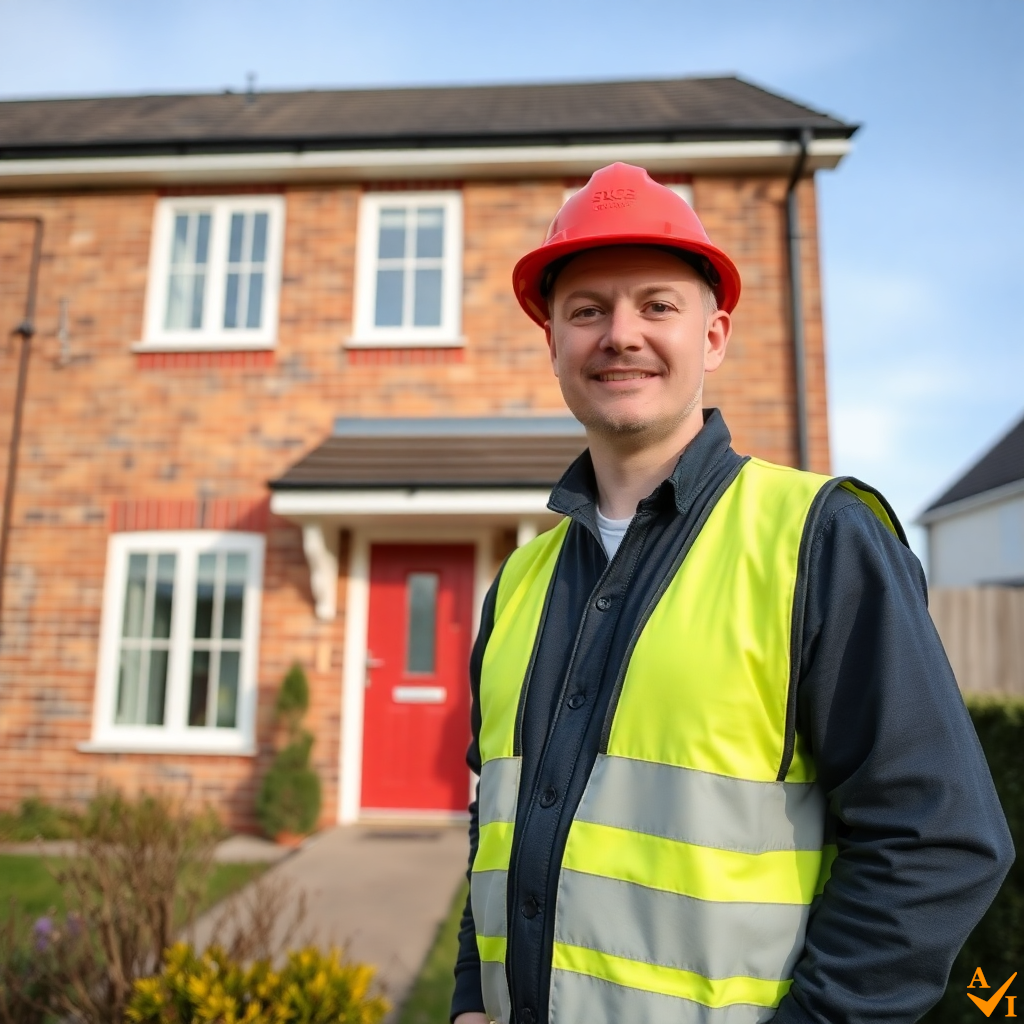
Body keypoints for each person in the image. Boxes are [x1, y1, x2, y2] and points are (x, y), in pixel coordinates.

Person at [451, 162, 1013, 1024]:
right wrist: (468, 996)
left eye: (657, 306)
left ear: (713, 338)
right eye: (588, 310)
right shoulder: (519, 582)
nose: (621, 335)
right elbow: (495, 826)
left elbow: (939, 840)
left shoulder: (820, 538)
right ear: (552, 342)